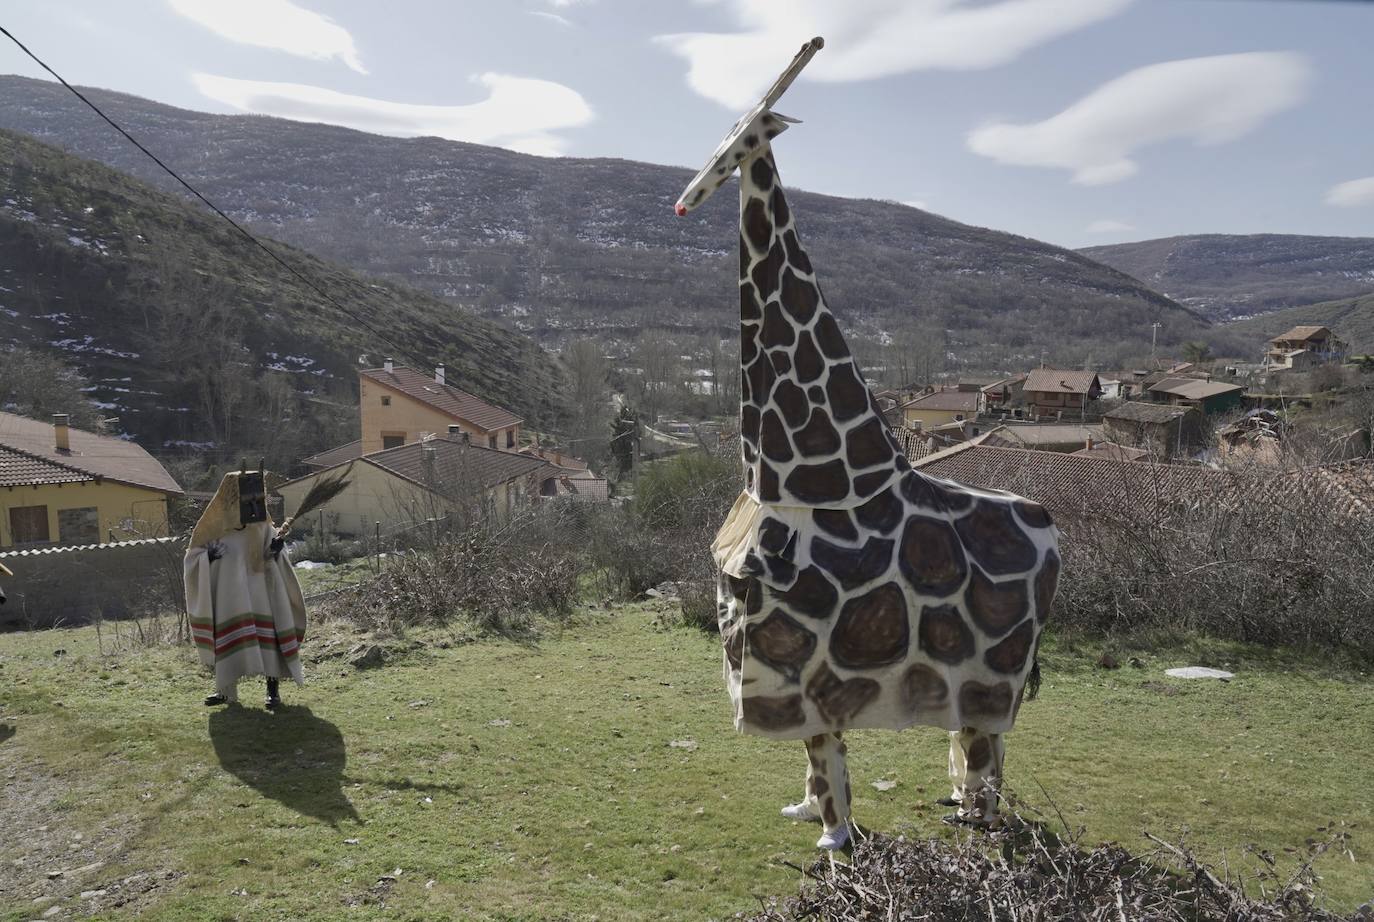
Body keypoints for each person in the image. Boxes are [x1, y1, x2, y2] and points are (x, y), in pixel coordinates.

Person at [185, 469, 307, 709]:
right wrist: (206, 557)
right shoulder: (214, 527)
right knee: (226, 638)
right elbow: (193, 557)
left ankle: (273, 691)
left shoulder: (263, 526)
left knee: (269, 637)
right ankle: (225, 691)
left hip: (263, 593)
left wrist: (276, 549)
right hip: (228, 596)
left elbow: (277, 555)